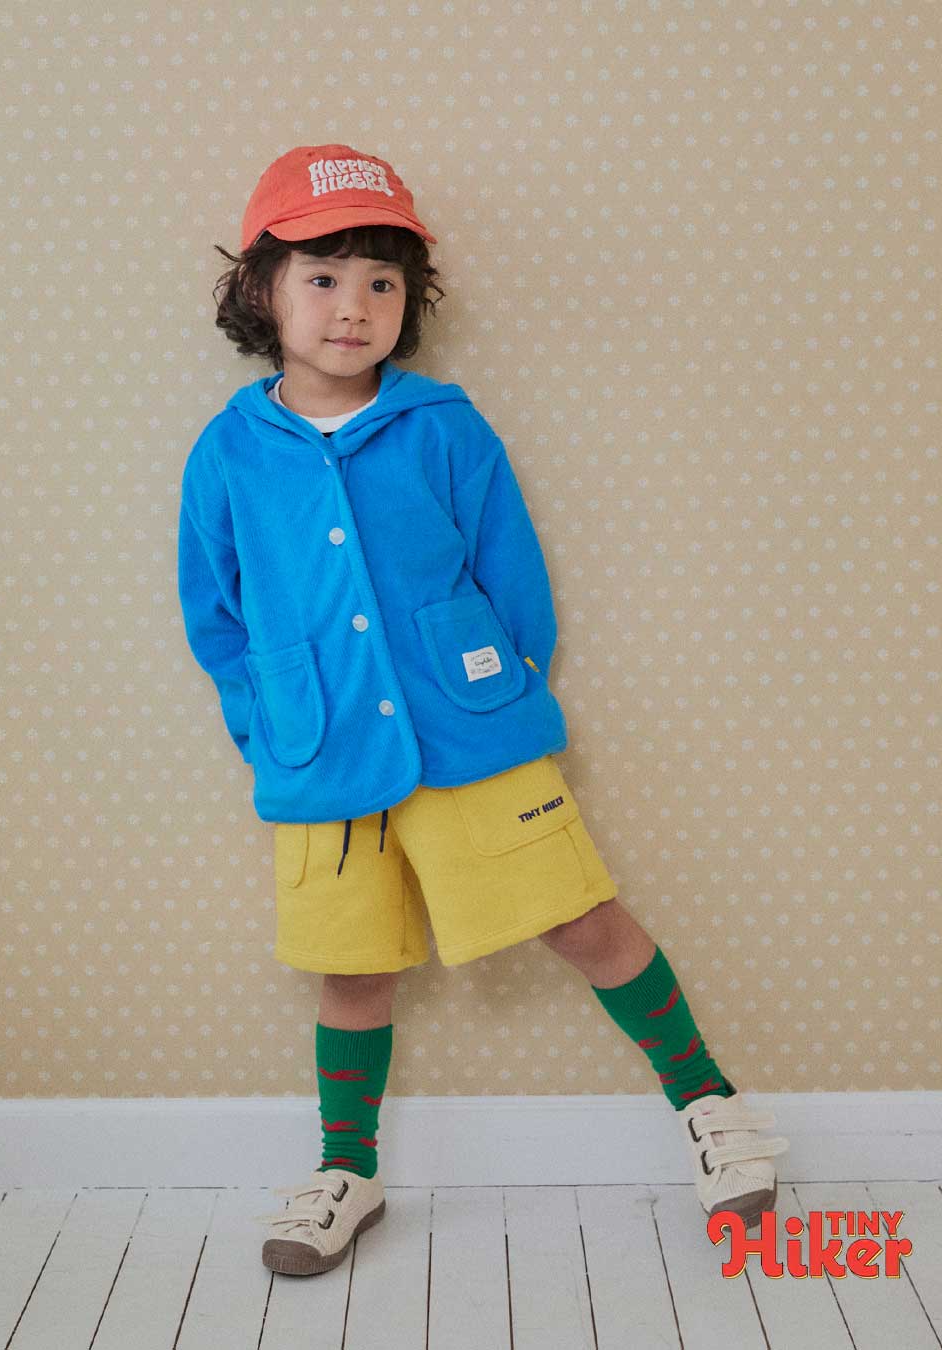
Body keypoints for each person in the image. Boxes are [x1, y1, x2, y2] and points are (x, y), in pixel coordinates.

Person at [177, 143, 789, 1279]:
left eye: (381, 281)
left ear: (410, 301)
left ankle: (710, 1104)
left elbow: (513, 577)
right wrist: (272, 731)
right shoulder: (227, 453)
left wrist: (496, 687)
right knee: (351, 967)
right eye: (323, 277)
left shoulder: (444, 425)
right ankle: (348, 1170)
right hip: (319, 753)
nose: (353, 307)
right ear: (262, 288)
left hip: (474, 734)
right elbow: (215, 614)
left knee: (582, 918)